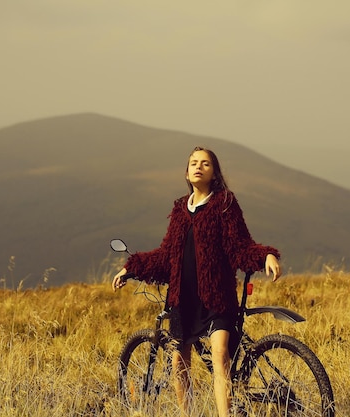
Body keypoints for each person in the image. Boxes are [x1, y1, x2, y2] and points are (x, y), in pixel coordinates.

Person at [112, 146, 281, 417]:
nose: (198, 167)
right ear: (187, 172)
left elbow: (240, 245)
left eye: (205, 163)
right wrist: (131, 268)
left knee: (220, 354)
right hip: (183, 297)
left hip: (217, 296)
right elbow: (166, 254)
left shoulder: (224, 203)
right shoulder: (180, 209)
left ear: (214, 173)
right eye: (193, 163)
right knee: (179, 361)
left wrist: (266, 256)